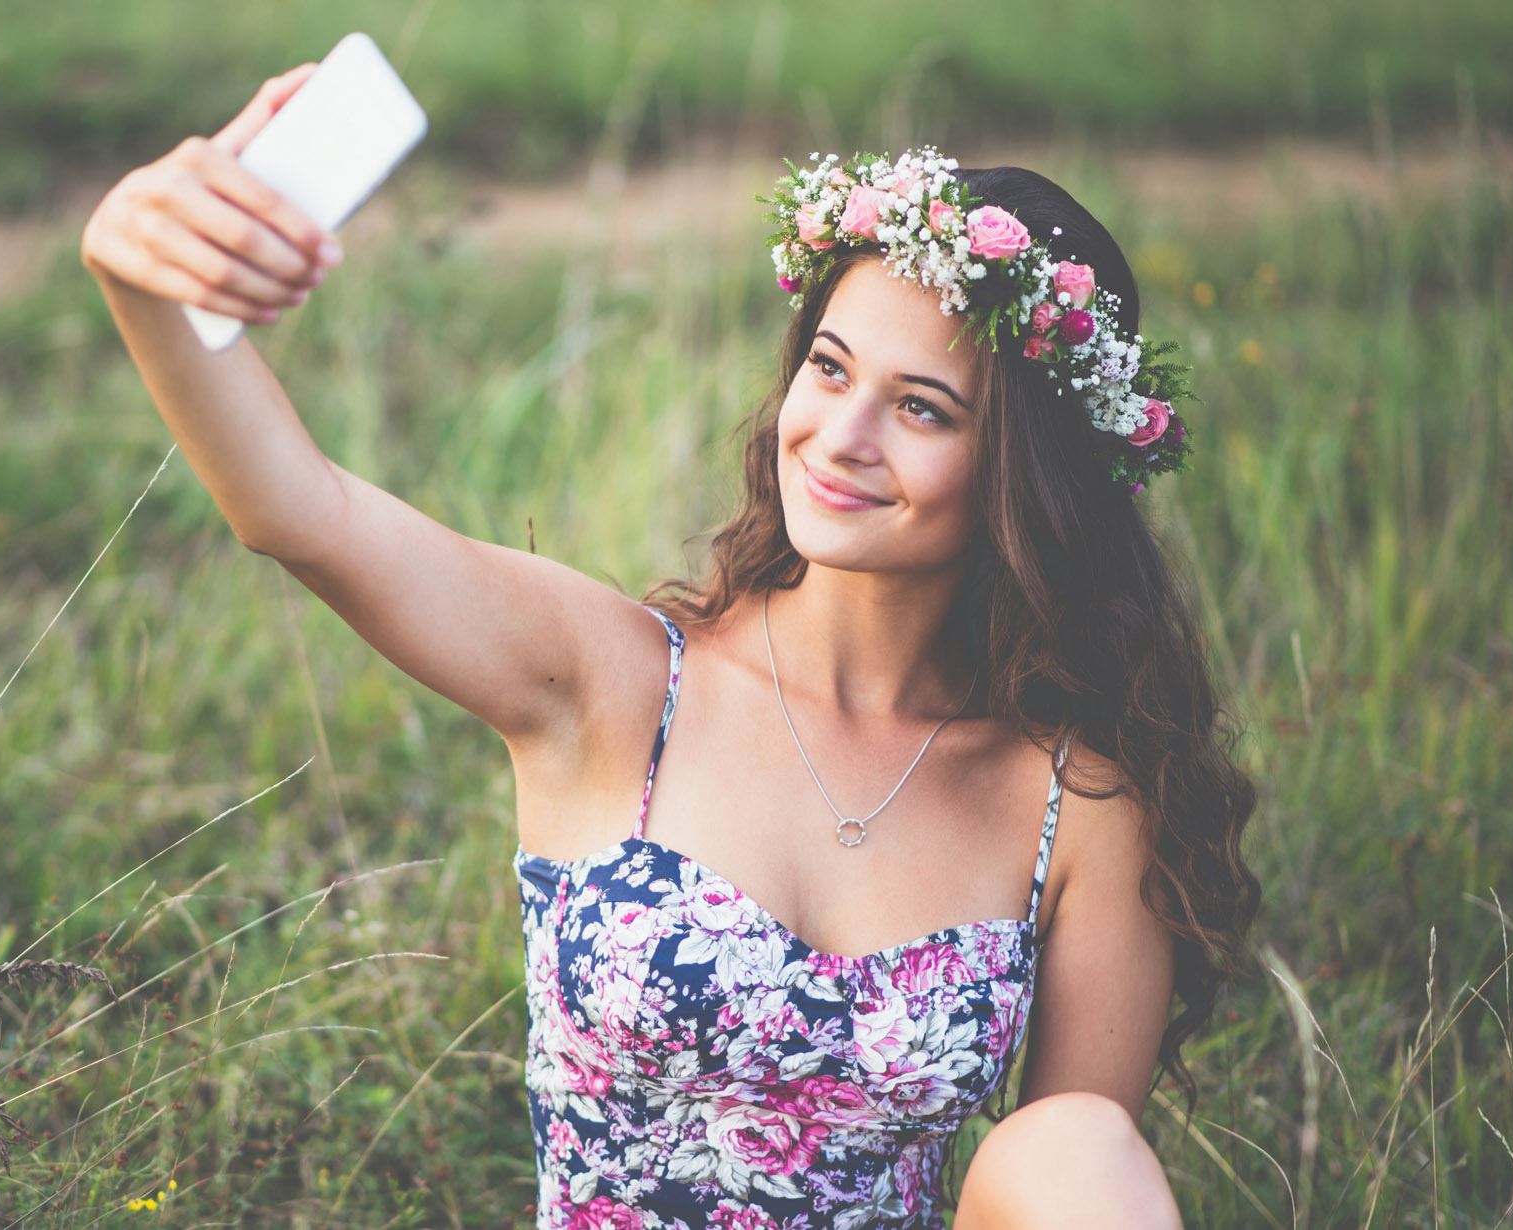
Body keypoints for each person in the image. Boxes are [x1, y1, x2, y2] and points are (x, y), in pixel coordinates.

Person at [81, 65, 1260, 1230]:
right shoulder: (616, 680)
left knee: (1076, 1149)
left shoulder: (1078, 800)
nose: (837, 436)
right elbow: (302, 513)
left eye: (921, 408)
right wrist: (142, 281)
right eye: (829, 367)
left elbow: (1068, 1196)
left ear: (1025, 475)